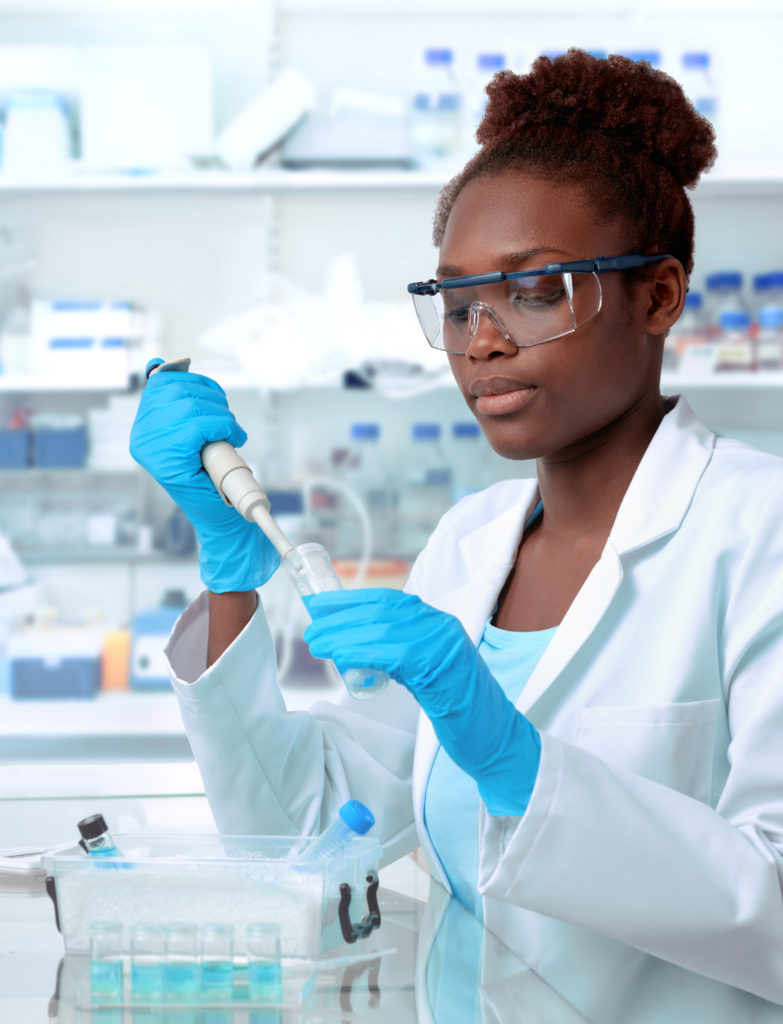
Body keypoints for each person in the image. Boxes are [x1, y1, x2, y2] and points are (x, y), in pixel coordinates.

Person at [131, 51, 783, 1007]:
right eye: (458, 302)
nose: (482, 340)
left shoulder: (756, 534)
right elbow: (311, 826)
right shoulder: (470, 543)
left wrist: (518, 766)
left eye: (535, 291)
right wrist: (233, 578)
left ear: (658, 295)